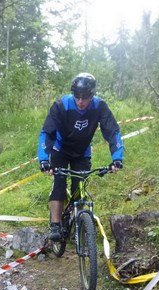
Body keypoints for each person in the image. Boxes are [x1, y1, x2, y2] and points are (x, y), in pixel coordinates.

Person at [37, 72, 124, 241]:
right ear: (73, 94)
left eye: (85, 97)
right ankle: (55, 224)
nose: (81, 101)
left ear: (93, 94)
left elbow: (112, 132)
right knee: (59, 185)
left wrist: (117, 158)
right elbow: (47, 133)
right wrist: (44, 160)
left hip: (82, 152)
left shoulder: (99, 107)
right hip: (59, 150)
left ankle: (79, 224)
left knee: (81, 189)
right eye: (77, 96)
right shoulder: (61, 105)